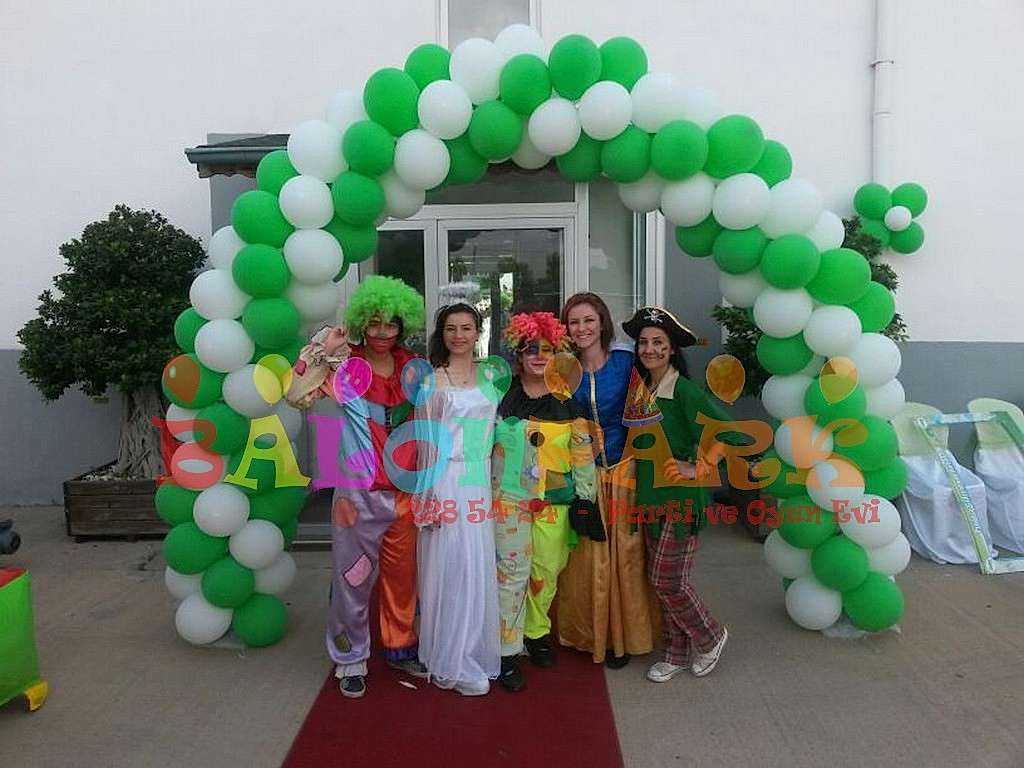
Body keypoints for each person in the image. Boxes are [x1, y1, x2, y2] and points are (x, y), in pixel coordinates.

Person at [286, 275, 427, 699]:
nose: (383, 332)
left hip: (405, 492)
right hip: (356, 495)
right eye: (375, 322)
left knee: (402, 578)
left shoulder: (413, 368)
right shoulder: (346, 366)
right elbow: (295, 395)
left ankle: (401, 646)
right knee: (353, 578)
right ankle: (350, 657)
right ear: (363, 323)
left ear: (402, 326)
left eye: (391, 323)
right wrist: (322, 349)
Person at [621, 306, 730, 683]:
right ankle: (675, 653)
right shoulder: (643, 389)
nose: (649, 349)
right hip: (649, 497)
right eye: (644, 342)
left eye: (658, 342)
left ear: (671, 349)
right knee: (659, 581)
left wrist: (698, 467)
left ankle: (710, 636)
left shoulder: (684, 390)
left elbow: (725, 431)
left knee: (668, 581)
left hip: (680, 498)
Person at [492, 312, 599, 692]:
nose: (539, 356)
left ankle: (536, 633)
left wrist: (586, 499)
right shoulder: (500, 396)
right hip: (508, 501)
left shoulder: (568, 401)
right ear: (518, 355)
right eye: (530, 349)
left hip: (555, 501)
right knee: (511, 575)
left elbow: (582, 454)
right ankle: (506, 651)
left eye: (547, 349)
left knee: (546, 573)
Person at [557, 293, 658, 668]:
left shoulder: (626, 363)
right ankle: (588, 634)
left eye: (588, 320)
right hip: (583, 474)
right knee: (587, 557)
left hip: (624, 469)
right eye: (574, 322)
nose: (581, 328)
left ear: (602, 323)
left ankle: (622, 639)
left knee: (627, 556)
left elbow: (648, 417)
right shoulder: (562, 370)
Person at [412, 284, 500, 696]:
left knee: (478, 564)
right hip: (447, 479)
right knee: (454, 565)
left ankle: (474, 648)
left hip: (479, 478)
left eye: (466, 328)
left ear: (477, 331)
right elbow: (426, 443)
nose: (459, 335)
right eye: (451, 328)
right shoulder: (433, 382)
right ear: (441, 334)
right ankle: (453, 657)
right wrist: (426, 495)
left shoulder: (491, 376)